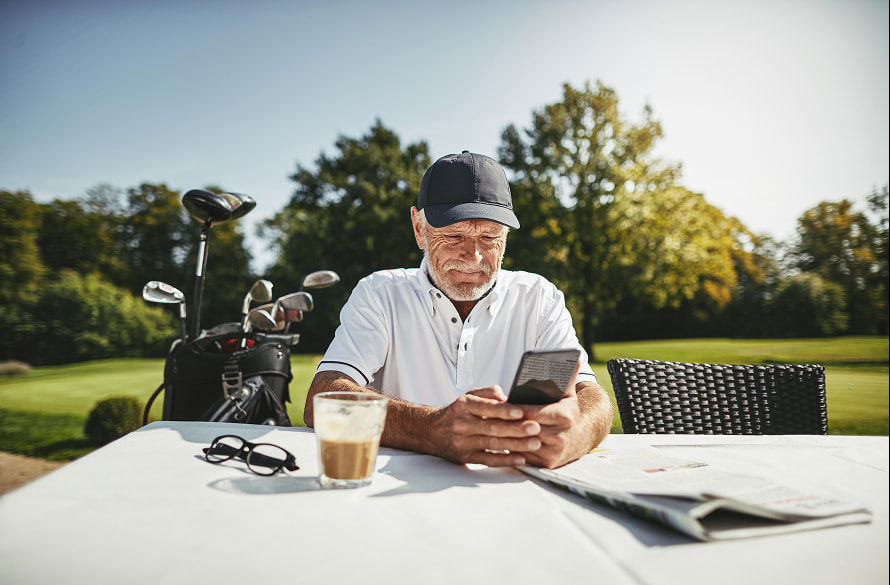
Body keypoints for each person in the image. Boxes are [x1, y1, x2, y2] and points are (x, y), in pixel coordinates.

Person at [303, 151, 612, 469]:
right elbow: (322, 398)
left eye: (490, 237)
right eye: (453, 235)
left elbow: (588, 395)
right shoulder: (381, 294)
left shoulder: (537, 300)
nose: (473, 256)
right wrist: (429, 429)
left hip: (507, 495)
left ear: (505, 237)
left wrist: (575, 435)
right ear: (418, 228)